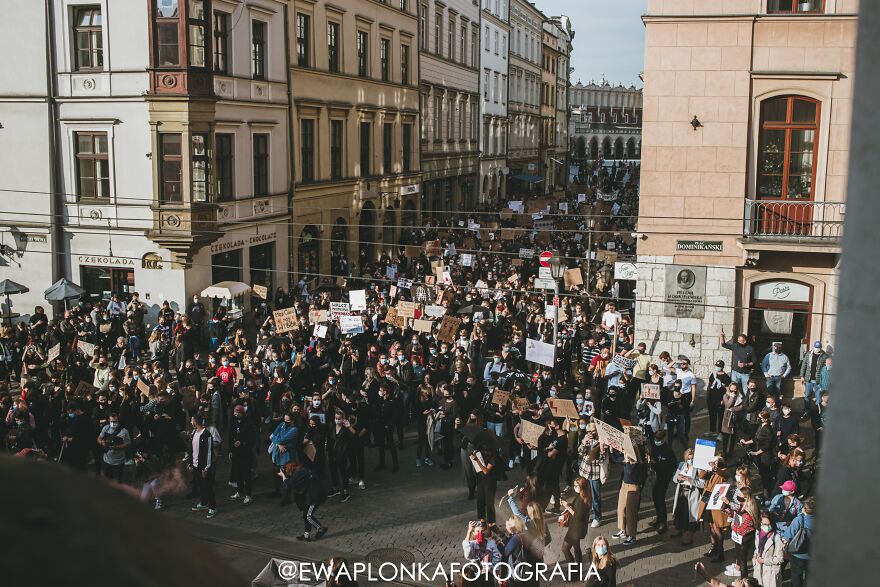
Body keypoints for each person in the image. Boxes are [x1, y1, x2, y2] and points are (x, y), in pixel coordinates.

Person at [279, 465, 328, 541]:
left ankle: (321, 528)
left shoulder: (299, 473)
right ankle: (306, 535)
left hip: (314, 496)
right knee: (306, 515)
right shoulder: (300, 471)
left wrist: (283, 476)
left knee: (308, 516)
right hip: (311, 495)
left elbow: (287, 485)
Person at [698, 457, 732, 563]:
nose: (715, 463)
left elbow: (725, 476)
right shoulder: (711, 471)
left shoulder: (724, 470)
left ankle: (720, 552)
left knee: (717, 527)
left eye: (717, 461)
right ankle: (713, 547)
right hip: (708, 500)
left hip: (717, 501)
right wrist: (708, 467)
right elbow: (702, 476)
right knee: (711, 526)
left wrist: (716, 468)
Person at [577, 422, 608, 528]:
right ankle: (585, 514)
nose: (591, 434)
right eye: (588, 432)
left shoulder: (601, 441)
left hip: (595, 473)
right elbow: (580, 453)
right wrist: (584, 442)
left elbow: (601, 460)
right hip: (585, 471)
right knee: (584, 494)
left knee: (595, 496)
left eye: (593, 432)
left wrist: (602, 450)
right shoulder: (585, 439)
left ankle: (597, 517)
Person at [671, 448, 704, 545]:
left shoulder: (699, 468)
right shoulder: (682, 465)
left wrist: (691, 480)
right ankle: (679, 529)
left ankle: (688, 534)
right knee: (679, 512)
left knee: (689, 515)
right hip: (681, 492)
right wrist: (678, 478)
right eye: (689, 458)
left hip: (692, 494)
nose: (691, 460)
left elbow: (702, 484)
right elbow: (674, 479)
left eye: (693, 458)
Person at [189, 414, 219, 519]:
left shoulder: (207, 435)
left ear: (196, 422)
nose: (190, 422)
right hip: (196, 465)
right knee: (200, 485)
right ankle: (204, 502)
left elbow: (209, 453)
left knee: (208, 486)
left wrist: (206, 468)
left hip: (203, 466)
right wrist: (191, 463)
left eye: (192, 420)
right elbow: (192, 450)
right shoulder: (194, 433)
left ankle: (213, 507)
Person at [725, 486, 758, 579]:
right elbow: (736, 510)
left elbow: (744, 525)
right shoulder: (744, 504)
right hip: (741, 535)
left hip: (744, 536)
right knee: (739, 556)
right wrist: (730, 511)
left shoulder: (748, 510)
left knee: (742, 559)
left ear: (745, 497)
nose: (738, 496)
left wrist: (735, 528)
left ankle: (744, 579)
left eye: (740, 495)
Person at [781, 496, 815, 587]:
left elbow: (787, 537)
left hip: (798, 554)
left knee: (796, 577)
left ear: (804, 509)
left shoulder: (799, 520)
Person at [649, 430, 676, 534]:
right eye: (656, 439)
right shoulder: (655, 447)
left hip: (664, 477)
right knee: (655, 496)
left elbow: (672, 465)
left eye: (659, 439)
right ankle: (659, 517)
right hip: (656, 476)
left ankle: (663, 522)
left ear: (664, 439)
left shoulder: (668, 450)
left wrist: (657, 464)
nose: (657, 441)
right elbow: (652, 456)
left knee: (660, 498)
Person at [559, 476, 591, 564]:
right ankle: (578, 565)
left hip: (575, 529)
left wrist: (567, 507)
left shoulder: (581, 500)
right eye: (574, 485)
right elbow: (577, 508)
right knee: (576, 547)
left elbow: (577, 516)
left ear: (582, 486)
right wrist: (568, 505)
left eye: (576, 486)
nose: (574, 487)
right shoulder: (583, 496)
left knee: (565, 549)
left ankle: (573, 568)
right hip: (578, 528)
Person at [613, 453, 644, 545]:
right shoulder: (627, 460)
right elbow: (617, 460)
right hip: (624, 485)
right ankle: (622, 530)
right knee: (620, 508)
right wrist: (611, 452)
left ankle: (632, 535)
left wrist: (627, 462)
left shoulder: (638, 463)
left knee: (630, 512)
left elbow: (630, 472)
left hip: (633, 487)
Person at [228, 404, 255, 505]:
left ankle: (248, 495)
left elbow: (252, 437)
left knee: (246, 474)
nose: (235, 414)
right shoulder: (233, 422)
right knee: (238, 472)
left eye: (238, 412)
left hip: (245, 452)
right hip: (236, 452)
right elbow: (230, 436)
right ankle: (240, 491)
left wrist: (242, 442)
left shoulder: (248, 423)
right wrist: (230, 450)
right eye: (235, 412)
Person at [752, 512, 784, 587]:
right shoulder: (758, 533)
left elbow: (779, 559)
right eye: (764, 524)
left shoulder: (776, 537)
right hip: (759, 569)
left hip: (770, 572)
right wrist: (755, 557)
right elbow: (757, 548)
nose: (766, 526)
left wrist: (764, 561)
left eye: (768, 524)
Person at [97, 413, 130, 482]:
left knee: (117, 482)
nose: (112, 423)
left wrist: (116, 447)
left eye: (114, 421)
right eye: (111, 421)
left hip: (118, 462)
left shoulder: (124, 431)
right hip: (106, 461)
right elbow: (99, 438)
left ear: (118, 421)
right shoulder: (106, 428)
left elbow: (127, 444)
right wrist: (102, 442)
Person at [798, 341, 827, 419]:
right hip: (809, 380)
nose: (817, 349)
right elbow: (804, 365)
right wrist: (802, 376)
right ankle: (807, 411)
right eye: (816, 347)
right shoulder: (808, 354)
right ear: (813, 347)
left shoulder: (824, 356)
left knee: (818, 398)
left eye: (819, 347)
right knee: (807, 396)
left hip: (818, 381)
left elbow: (825, 370)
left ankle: (818, 413)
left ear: (821, 347)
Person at [707, 360, 730, 437]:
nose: (717, 367)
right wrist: (707, 396)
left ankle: (720, 433)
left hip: (720, 400)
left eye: (719, 366)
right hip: (711, 398)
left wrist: (724, 400)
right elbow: (709, 385)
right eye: (716, 366)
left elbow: (728, 390)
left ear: (722, 367)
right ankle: (712, 430)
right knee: (712, 415)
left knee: (720, 417)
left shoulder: (726, 377)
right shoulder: (713, 375)